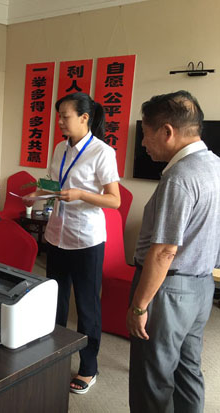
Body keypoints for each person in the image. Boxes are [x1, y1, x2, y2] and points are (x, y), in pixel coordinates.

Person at [126, 91, 220, 413]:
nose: (142, 143)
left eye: (145, 133)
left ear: (167, 131)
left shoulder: (180, 178)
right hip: (201, 287)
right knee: (188, 369)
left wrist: (140, 305)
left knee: (153, 376)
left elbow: (164, 251)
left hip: (169, 291)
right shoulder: (215, 165)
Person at [25, 92, 120, 394]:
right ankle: (54, 356)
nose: (60, 122)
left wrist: (81, 194)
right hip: (57, 235)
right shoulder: (59, 148)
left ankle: (89, 367)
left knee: (87, 305)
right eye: (59, 116)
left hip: (86, 240)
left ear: (84, 118)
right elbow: (53, 183)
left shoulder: (102, 152)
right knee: (55, 300)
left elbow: (114, 200)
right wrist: (37, 194)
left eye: (65, 116)